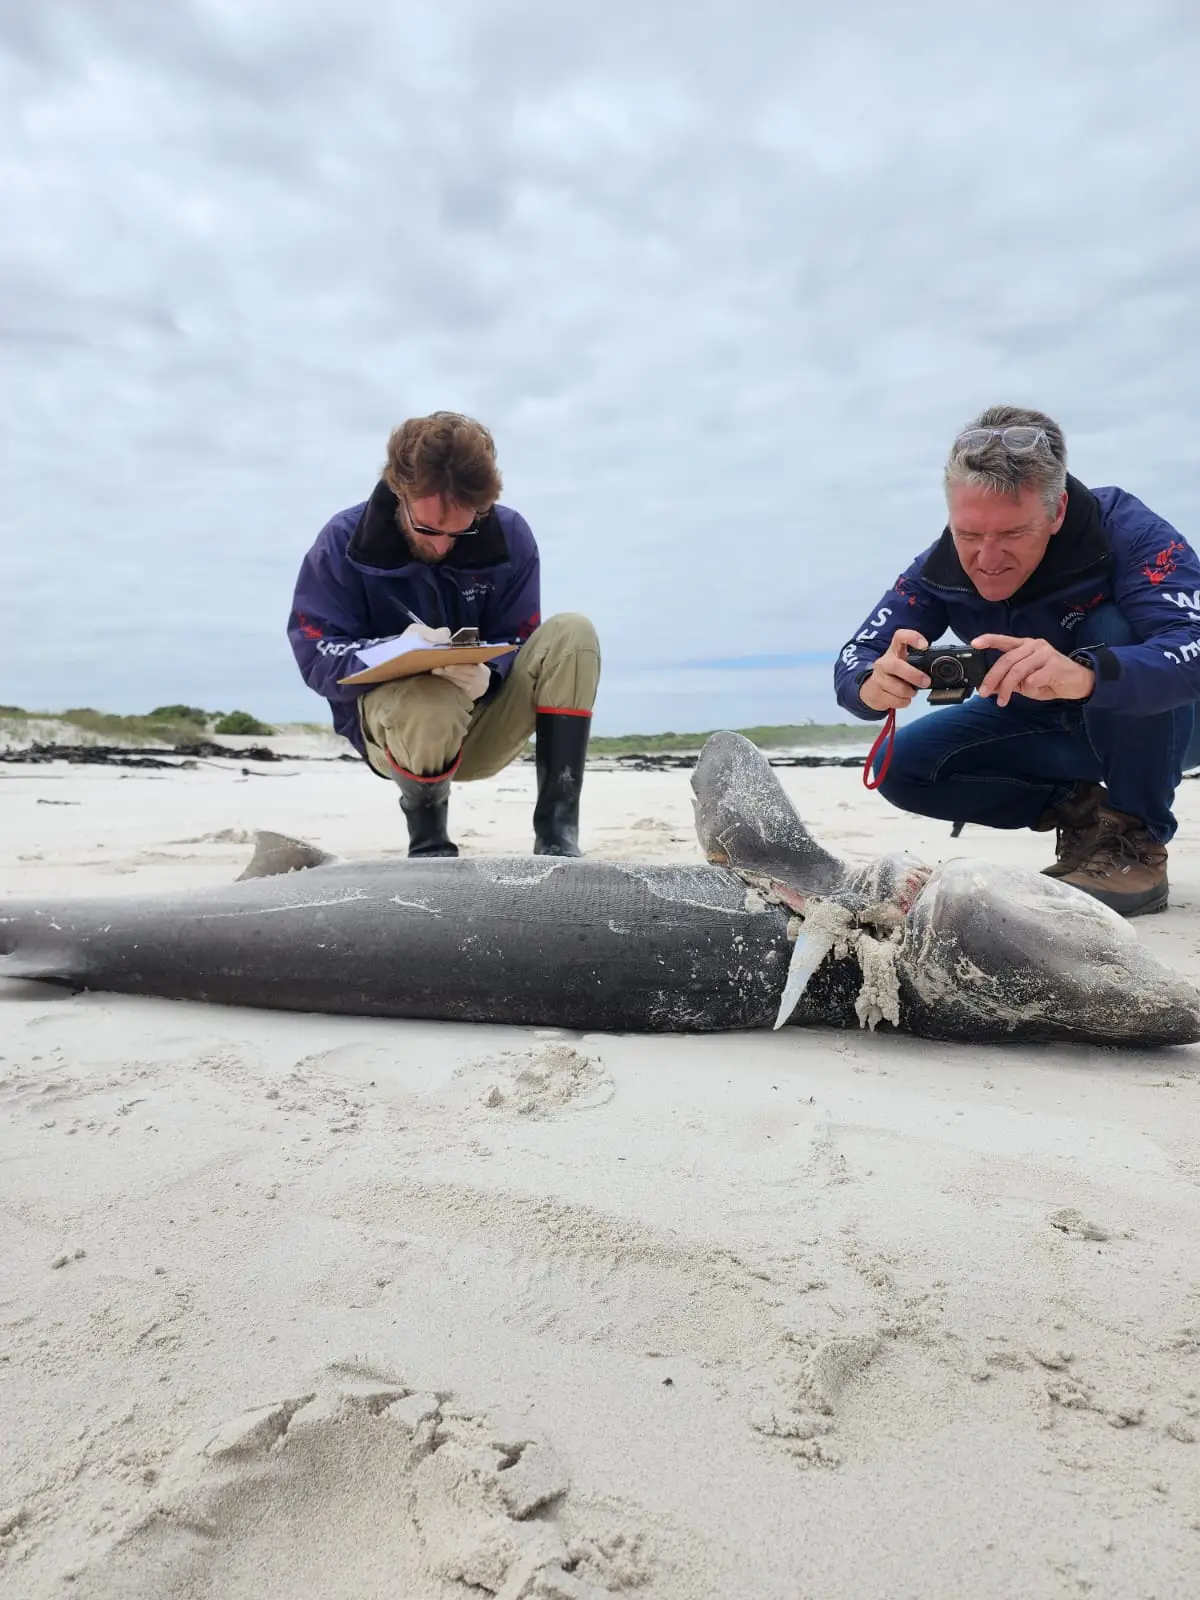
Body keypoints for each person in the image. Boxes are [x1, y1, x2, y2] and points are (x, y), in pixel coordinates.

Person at [834, 405, 1200, 917]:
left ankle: (1134, 844)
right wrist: (871, 687)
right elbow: (856, 658)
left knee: (1113, 630)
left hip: (1172, 723)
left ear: (1057, 512)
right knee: (897, 763)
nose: (986, 559)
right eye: (968, 535)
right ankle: (1084, 814)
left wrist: (1085, 675)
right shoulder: (937, 567)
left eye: (1011, 535)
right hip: (1044, 726)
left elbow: (1193, 644)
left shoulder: (1126, 532)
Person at [288, 411, 601, 858]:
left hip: (482, 723)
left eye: (461, 530)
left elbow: (519, 636)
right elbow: (314, 655)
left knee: (575, 632)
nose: (441, 546)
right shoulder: (341, 541)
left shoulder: (511, 536)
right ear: (399, 491)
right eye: (428, 529)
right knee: (430, 698)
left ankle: (558, 838)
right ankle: (429, 845)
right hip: (397, 735)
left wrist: (491, 674)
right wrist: (395, 650)